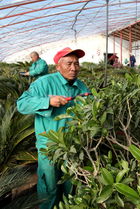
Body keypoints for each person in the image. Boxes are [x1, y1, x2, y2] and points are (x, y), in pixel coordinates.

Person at [17, 47, 90, 209]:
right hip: (50, 147)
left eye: (77, 64)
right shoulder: (44, 83)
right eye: (69, 63)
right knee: (49, 187)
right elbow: (21, 104)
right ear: (58, 66)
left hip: (74, 147)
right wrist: (47, 102)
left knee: (70, 185)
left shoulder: (82, 86)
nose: (73, 68)